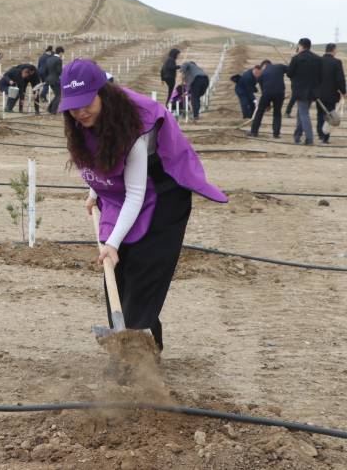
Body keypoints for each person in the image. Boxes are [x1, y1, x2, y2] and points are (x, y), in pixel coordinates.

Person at [60, 59, 227, 353]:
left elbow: (136, 193)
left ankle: (137, 363)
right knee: (119, 275)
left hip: (164, 188)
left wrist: (110, 243)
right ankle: (141, 347)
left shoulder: (134, 124)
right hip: (123, 190)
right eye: (73, 106)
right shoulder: (81, 121)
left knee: (144, 272)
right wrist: (94, 190)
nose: (81, 111)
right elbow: (99, 158)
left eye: (87, 102)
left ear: (103, 93)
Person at [286, 38, 322, 145]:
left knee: (303, 113)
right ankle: (297, 136)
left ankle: (309, 139)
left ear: (301, 46)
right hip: (313, 92)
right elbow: (321, 76)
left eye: (299, 45)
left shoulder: (296, 58)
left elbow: (289, 74)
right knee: (301, 113)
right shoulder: (318, 59)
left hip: (300, 91)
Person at [315, 43, 345, 144]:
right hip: (331, 94)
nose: (336, 51)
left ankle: (320, 134)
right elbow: (340, 79)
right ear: (333, 50)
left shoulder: (318, 61)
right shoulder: (336, 62)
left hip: (318, 94)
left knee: (320, 114)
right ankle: (325, 137)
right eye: (336, 49)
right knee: (329, 115)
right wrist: (344, 92)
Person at [251, 60, 287, 138]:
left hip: (267, 93)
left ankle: (254, 132)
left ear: (264, 65)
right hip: (280, 93)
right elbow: (291, 70)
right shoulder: (279, 66)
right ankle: (276, 134)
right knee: (277, 113)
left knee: (260, 112)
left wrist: (267, 104)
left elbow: (263, 90)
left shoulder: (261, 75)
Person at [43, 46, 64, 114]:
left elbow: (45, 70)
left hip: (48, 79)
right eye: (62, 53)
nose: (62, 55)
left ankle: (50, 109)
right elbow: (59, 71)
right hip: (56, 79)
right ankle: (53, 111)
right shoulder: (59, 60)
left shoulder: (49, 59)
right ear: (60, 53)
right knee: (59, 95)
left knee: (57, 94)